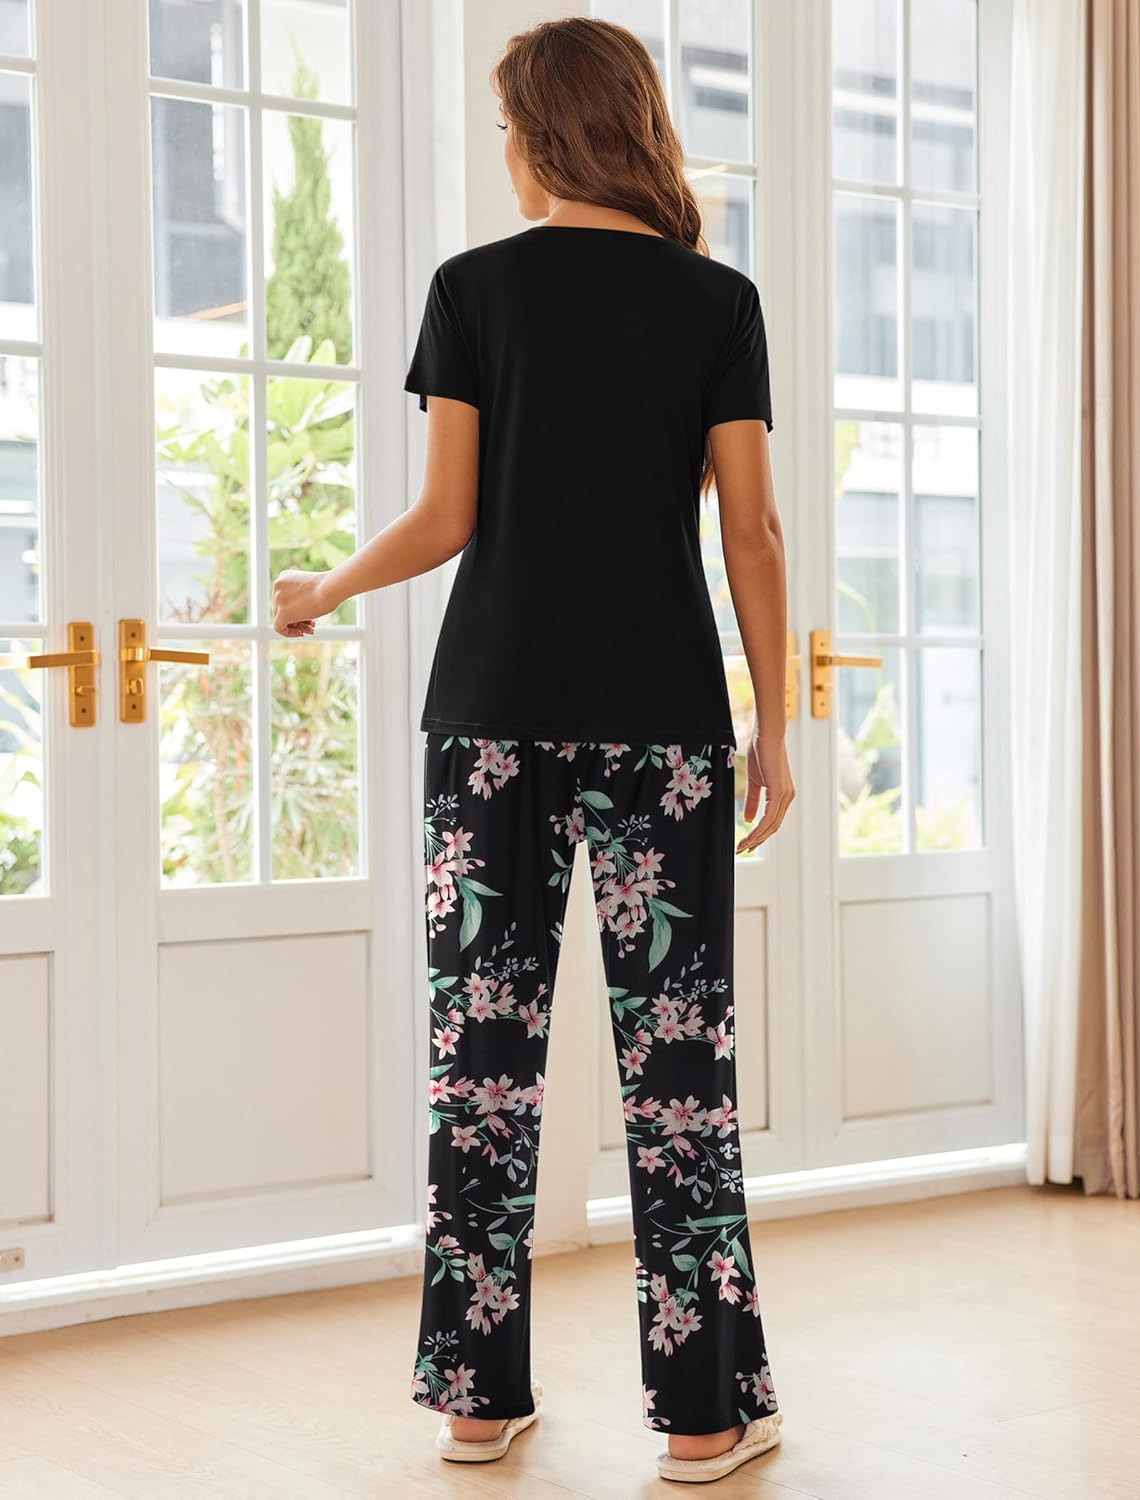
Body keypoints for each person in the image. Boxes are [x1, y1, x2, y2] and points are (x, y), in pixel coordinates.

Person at [272, 15, 793, 1486]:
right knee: (677, 1070)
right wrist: (775, 724)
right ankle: (703, 1417)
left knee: (482, 1062)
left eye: (507, 127)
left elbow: (446, 521)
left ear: (545, 134)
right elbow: (750, 530)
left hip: (493, 725)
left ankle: (474, 1403)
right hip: (664, 728)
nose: (503, 152)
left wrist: (324, 588)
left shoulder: (474, 290)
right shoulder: (717, 301)